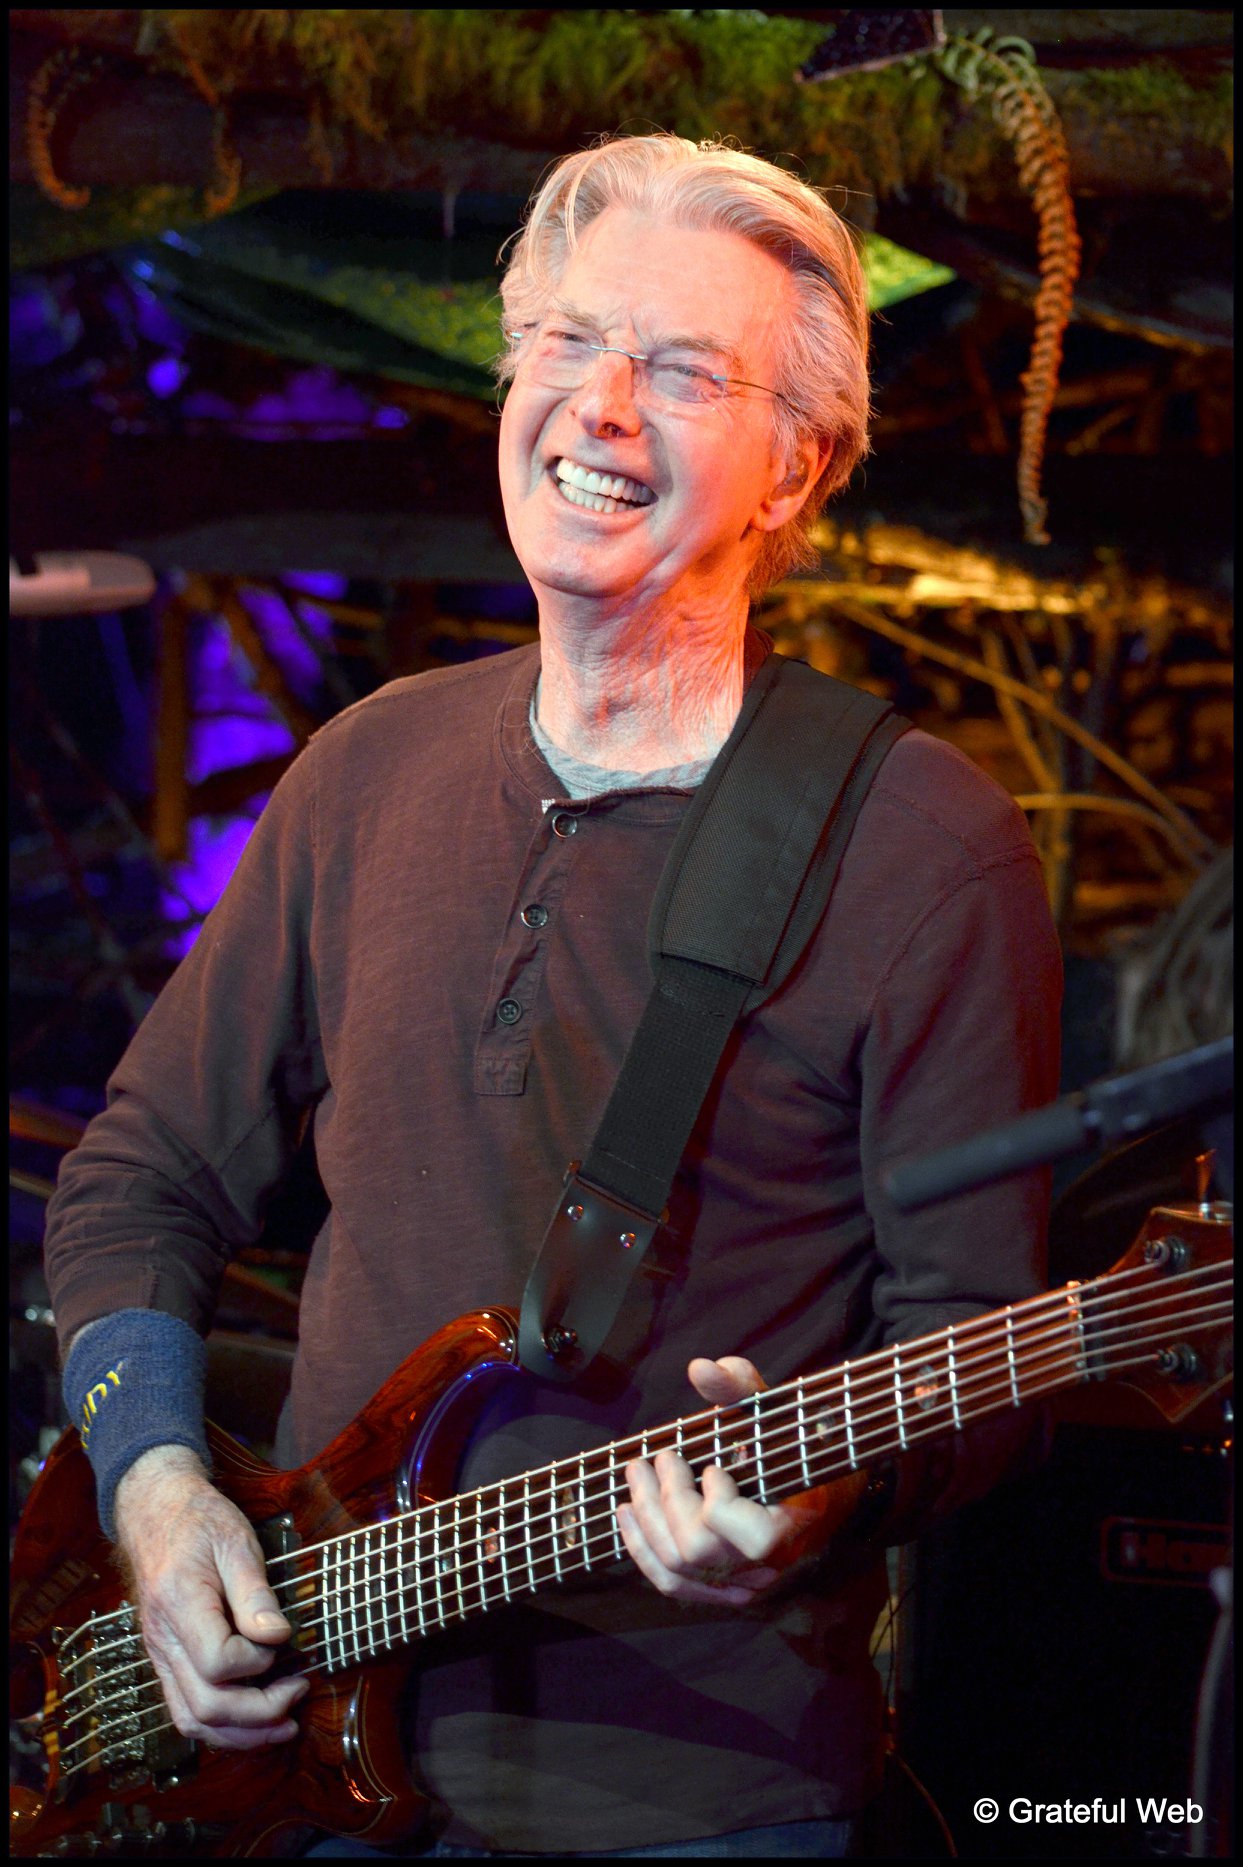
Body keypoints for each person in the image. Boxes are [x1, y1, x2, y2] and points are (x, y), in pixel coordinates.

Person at [43, 133, 1062, 1859]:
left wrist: (826, 1494)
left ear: (797, 469)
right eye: (568, 344)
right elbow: (139, 1179)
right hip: (295, 1784)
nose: (600, 407)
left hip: (703, 1810)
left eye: (682, 370)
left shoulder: (927, 847)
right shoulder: (367, 767)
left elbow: (987, 1354)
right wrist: (153, 1485)